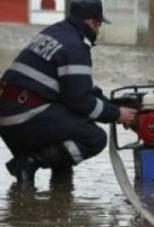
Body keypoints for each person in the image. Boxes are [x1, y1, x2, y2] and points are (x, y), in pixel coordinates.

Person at [0, 0, 137, 184]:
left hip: (11, 118)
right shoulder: (76, 46)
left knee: (71, 123)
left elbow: (80, 89)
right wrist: (116, 114)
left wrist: (113, 106)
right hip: (25, 118)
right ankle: (28, 163)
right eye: (98, 26)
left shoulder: (56, 32)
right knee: (93, 137)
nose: (97, 32)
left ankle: (60, 191)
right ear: (93, 23)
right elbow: (79, 100)